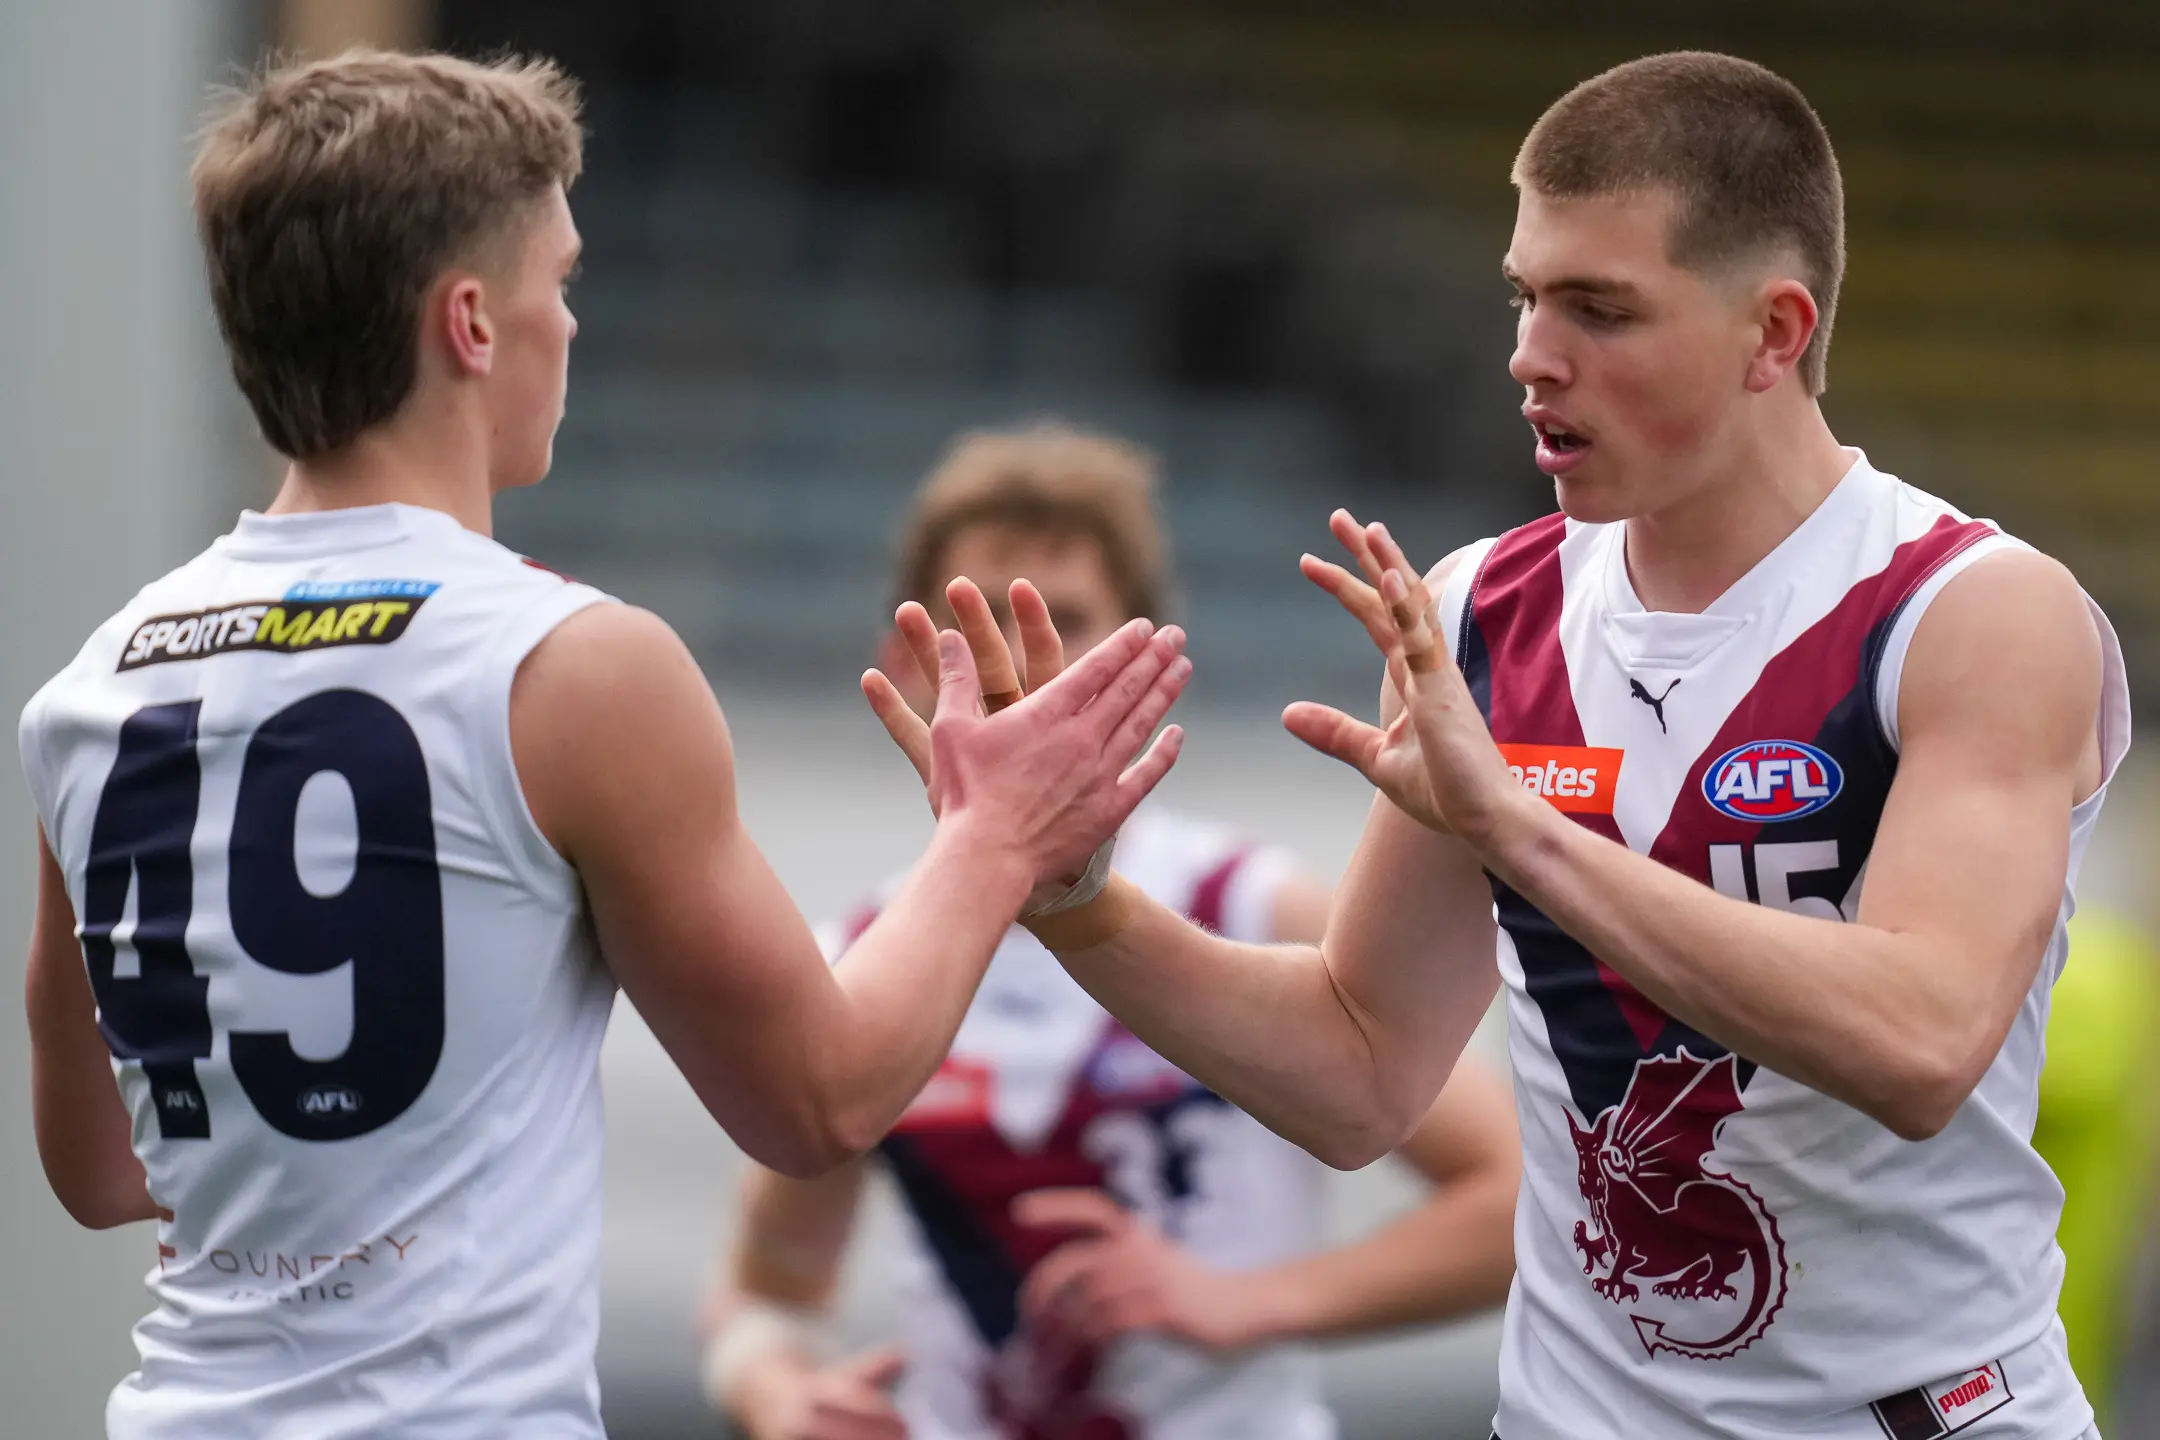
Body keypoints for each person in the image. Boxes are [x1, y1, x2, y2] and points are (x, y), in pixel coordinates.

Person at [869, 54, 2129, 1440]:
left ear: (1776, 333)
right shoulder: (1483, 609)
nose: (1532, 354)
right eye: (1525, 296)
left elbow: (1923, 1042)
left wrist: (1523, 831)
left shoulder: (1974, 612)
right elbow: (1359, 1076)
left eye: (1600, 308)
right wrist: (1075, 897)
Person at [17, 51, 1192, 1440]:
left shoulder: (93, 686)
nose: (568, 325)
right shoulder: (573, 665)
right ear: (469, 322)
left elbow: (99, 1169)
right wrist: (996, 838)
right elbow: (821, 1100)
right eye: (557, 283)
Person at [701, 424, 1521, 1440]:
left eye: (1067, 621)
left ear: (1146, 659)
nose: (1021, 666)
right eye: (979, 626)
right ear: (902, 668)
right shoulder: (856, 960)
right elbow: (765, 1293)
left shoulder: (1252, 904)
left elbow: (1514, 1202)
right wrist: (779, 1391)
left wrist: (1248, 1300)